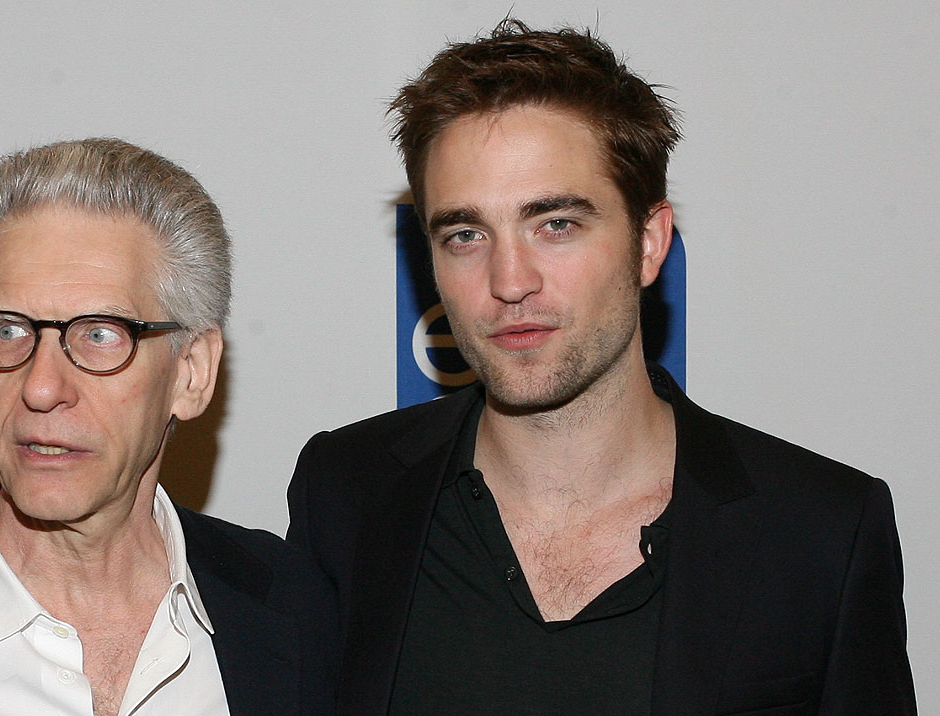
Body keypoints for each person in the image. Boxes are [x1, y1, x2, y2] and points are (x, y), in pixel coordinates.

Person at [287, 20, 915, 715]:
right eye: (466, 234)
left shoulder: (820, 533)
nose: (510, 280)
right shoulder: (347, 495)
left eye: (555, 224)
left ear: (649, 243)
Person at [0, 138, 335, 716]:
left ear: (191, 373)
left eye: (99, 334)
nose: (41, 388)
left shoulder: (311, 615)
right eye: (9, 330)